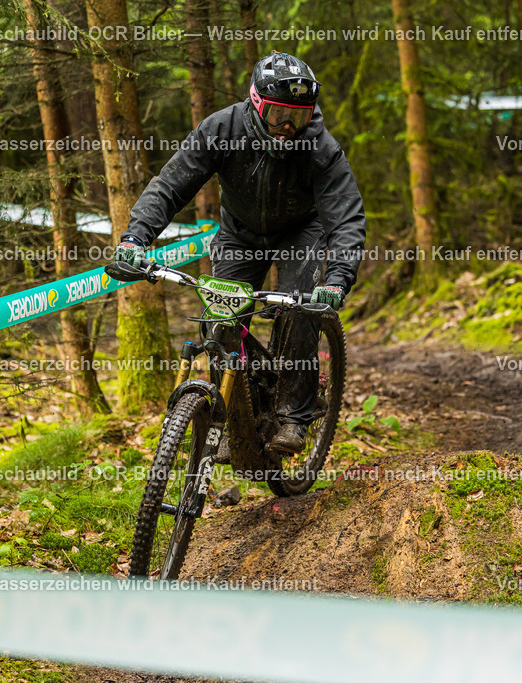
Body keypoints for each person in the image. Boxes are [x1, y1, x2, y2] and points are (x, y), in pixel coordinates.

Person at [114, 52, 367, 453]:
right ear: (256, 103)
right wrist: (134, 239)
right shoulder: (221, 128)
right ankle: (238, 417)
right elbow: (170, 185)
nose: (288, 128)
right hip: (239, 234)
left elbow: (346, 216)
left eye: (299, 117)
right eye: (280, 115)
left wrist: (337, 278)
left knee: (301, 306)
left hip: (300, 233)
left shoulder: (320, 146)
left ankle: (294, 416)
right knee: (222, 318)